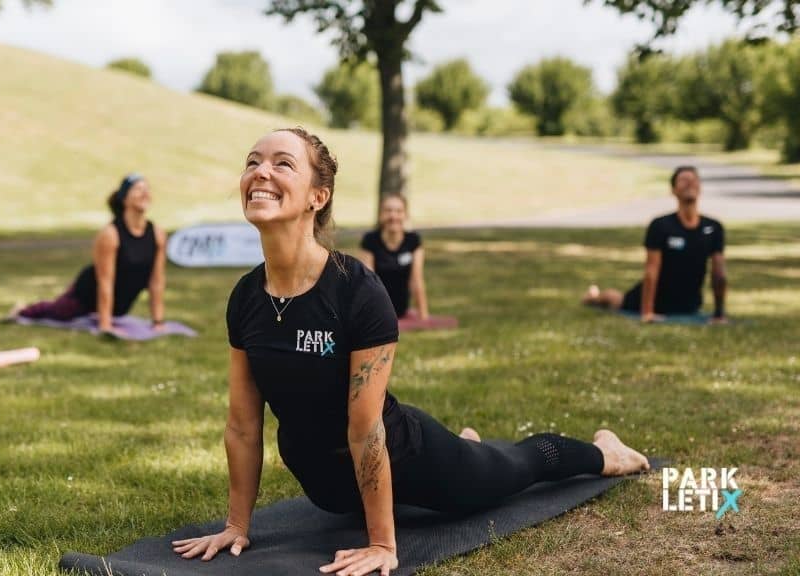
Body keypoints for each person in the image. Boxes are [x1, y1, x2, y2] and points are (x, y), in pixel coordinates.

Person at [171, 128, 650, 576]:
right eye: (252, 162)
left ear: (319, 196)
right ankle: (469, 446)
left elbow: (365, 429)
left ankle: (603, 453)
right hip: (327, 484)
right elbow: (242, 424)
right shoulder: (246, 297)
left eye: (282, 164)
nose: (261, 172)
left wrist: (382, 544)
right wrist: (237, 526)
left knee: (512, 471)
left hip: (404, 454)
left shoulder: (355, 291)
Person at [14, 174, 168, 332]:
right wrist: (105, 325)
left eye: (147, 188)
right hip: (85, 296)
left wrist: (158, 321)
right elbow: (105, 282)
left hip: (119, 306)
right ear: (124, 199)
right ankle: (23, 311)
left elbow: (156, 282)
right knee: (57, 311)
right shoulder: (110, 234)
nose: (145, 192)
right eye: (138, 189)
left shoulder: (158, 234)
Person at [582, 166, 728, 324]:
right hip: (655, 298)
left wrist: (719, 314)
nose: (689, 184)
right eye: (683, 180)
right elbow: (651, 270)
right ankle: (593, 297)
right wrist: (647, 312)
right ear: (673, 190)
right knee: (616, 300)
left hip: (689, 303)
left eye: (694, 180)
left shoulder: (713, 227)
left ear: (700, 187)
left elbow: (719, 273)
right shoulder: (660, 225)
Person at [358, 195, 429, 320]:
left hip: (401, 310)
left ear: (406, 215)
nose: (393, 216)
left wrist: (423, 316)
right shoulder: (370, 240)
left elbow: (416, 280)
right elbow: (368, 283)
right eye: (388, 210)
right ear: (381, 214)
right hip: (376, 310)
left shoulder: (413, 241)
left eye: (398, 211)